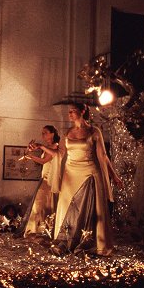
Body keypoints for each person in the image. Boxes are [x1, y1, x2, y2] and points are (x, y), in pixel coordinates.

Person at [39, 103, 123, 256]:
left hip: (89, 172)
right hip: (70, 174)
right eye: (69, 112)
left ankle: (92, 242)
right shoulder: (67, 132)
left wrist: (113, 175)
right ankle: (66, 240)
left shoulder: (94, 131)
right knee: (66, 206)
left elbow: (103, 157)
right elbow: (58, 154)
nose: (70, 114)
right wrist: (41, 147)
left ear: (83, 112)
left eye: (73, 111)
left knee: (91, 209)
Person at [15, 125, 61, 238]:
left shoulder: (55, 146)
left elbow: (44, 160)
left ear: (52, 134)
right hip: (44, 178)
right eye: (42, 133)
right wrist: (30, 153)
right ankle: (40, 230)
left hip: (49, 179)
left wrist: (30, 155)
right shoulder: (48, 147)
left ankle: (35, 231)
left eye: (45, 132)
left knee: (39, 204)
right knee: (42, 205)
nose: (43, 135)